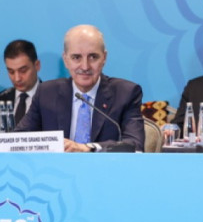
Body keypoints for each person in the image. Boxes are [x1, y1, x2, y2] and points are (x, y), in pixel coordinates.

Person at [15, 25, 145, 152]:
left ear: (104, 58)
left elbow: (134, 145)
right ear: (66, 60)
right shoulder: (46, 93)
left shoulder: (125, 94)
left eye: (93, 57)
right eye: (76, 57)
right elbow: (18, 140)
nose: (85, 66)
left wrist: (88, 148)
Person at [0, 39, 42, 139]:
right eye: (11, 72)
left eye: (23, 71)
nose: (17, 78)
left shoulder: (52, 99)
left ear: (37, 66)